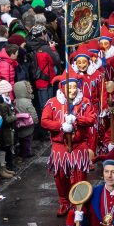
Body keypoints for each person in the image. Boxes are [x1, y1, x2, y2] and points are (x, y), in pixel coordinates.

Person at [42, 76, 98, 216]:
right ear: (62, 87)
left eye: (75, 87)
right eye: (69, 87)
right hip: (59, 146)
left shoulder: (84, 102)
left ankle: (78, 203)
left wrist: (77, 120)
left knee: (79, 175)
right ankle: (64, 202)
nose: (72, 90)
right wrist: (60, 125)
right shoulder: (52, 103)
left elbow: (92, 119)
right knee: (60, 176)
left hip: (79, 145)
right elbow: (44, 121)